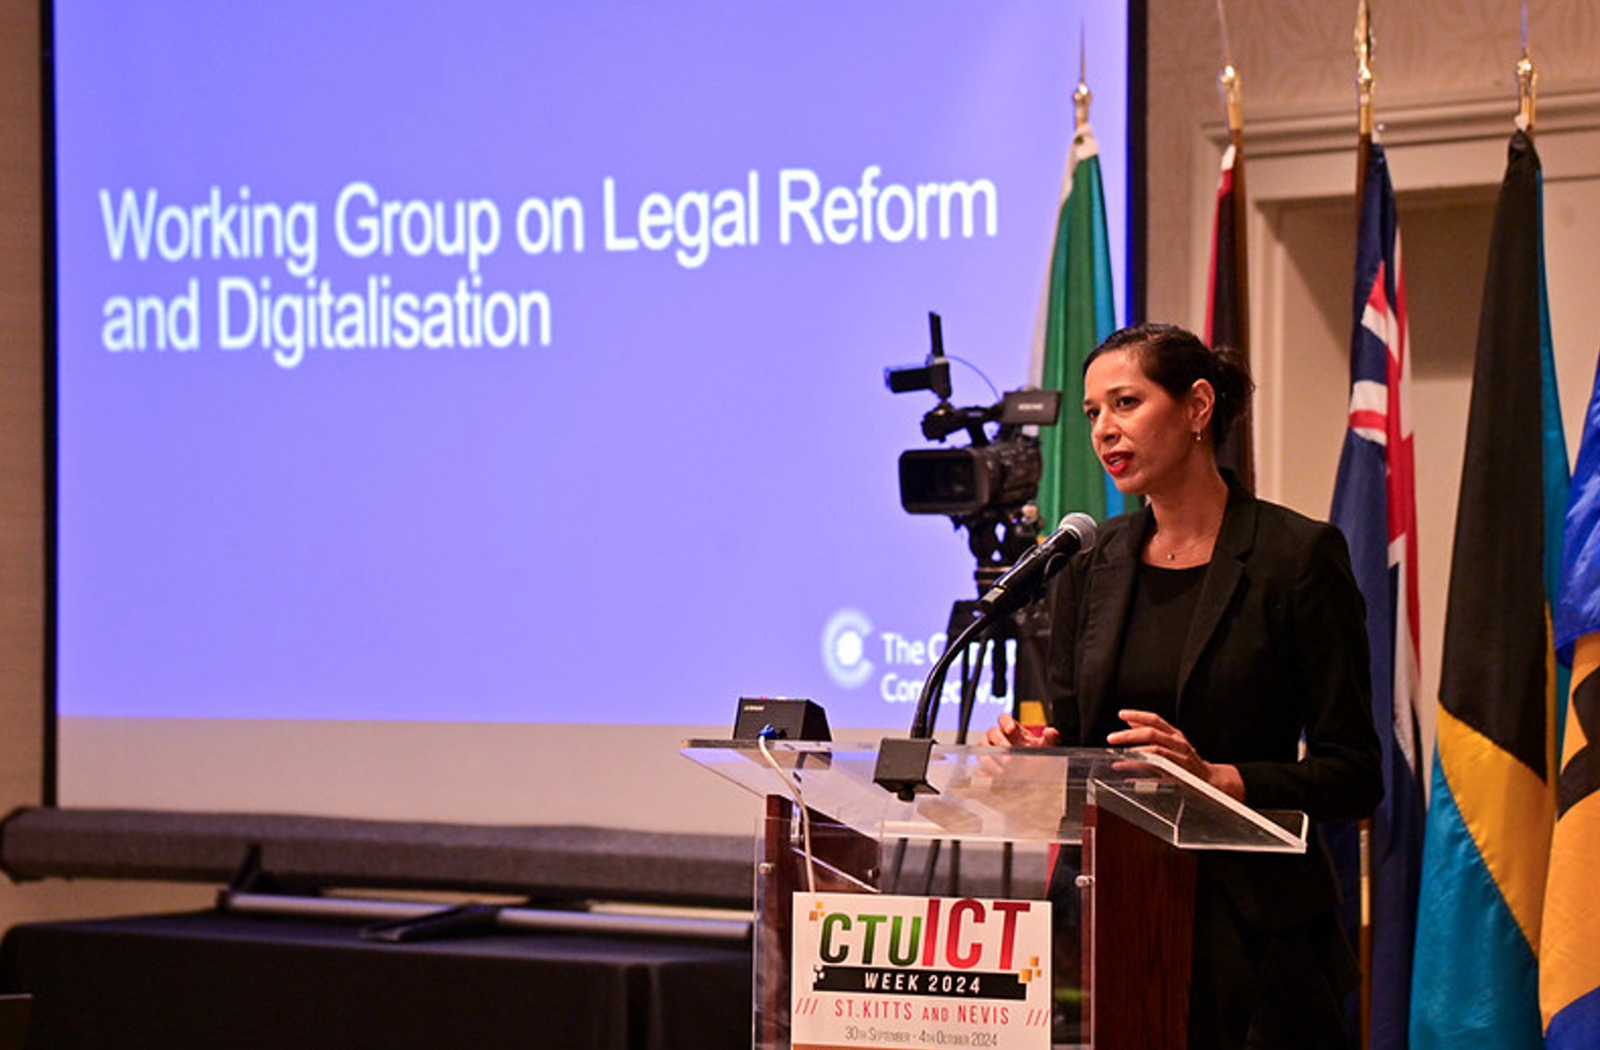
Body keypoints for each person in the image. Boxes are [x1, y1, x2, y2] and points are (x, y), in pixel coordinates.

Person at [988, 322, 1383, 1049]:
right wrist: (1034, 761)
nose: (1105, 431)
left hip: (1259, 941)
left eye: (1126, 403)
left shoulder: (1296, 558)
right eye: (1093, 413)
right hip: (1115, 926)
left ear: (1198, 406)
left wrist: (1219, 779)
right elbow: (1080, 752)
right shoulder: (1087, 561)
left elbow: (1354, 774)